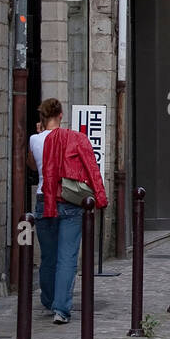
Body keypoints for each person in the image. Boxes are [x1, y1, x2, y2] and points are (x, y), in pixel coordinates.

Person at [35, 98, 107, 324]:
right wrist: (100, 198)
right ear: (61, 115)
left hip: (43, 199)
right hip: (69, 200)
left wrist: (39, 133)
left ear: (42, 117)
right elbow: (91, 167)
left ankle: (48, 300)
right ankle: (61, 309)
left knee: (48, 256)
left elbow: (30, 164)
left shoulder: (34, 140)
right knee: (66, 257)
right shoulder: (74, 138)